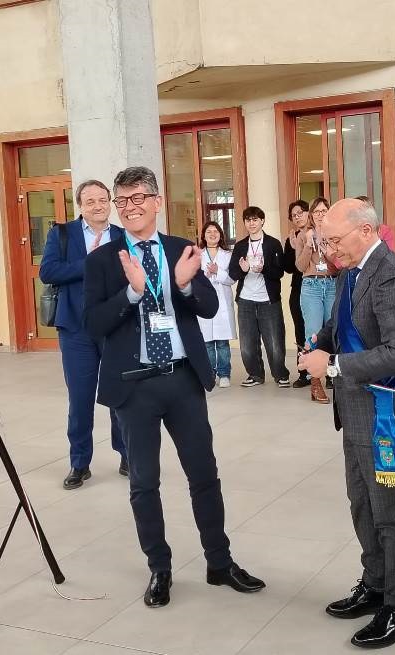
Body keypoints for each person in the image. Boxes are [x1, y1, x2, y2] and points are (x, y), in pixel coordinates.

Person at [83, 166, 265, 608]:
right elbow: (93, 324)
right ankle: (159, 569)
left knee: (204, 475)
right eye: (122, 200)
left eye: (138, 198)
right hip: (134, 387)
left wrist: (183, 285)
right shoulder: (103, 261)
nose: (130, 207)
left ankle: (219, 563)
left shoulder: (181, 249)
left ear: (157, 202)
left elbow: (209, 306)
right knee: (144, 482)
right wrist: (131, 294)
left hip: (183, 380)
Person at [299, 198, 395, 649]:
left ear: (365, 230)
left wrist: (332, 364)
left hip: (385, 416)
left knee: (390, 514)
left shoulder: (393, 275)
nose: (330, 250)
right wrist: (318, 343)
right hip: (356, 408)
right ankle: (375, 584)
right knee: (361, 503)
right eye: (325, 242)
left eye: (334, 241)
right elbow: (339, 325)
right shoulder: (351, 270)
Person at [39, 179, 127, 489]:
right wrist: (90, 262)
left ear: (110, 202)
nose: (98, 206)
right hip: (76, 329)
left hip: (115, 326)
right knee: (80, 399)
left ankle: (127, 455)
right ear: (80, 205)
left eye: (103, 200)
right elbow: (48, 272)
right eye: (90, 201)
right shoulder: (62, 234)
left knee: (119, 395)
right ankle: (80, 463)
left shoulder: (122, 236)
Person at [228, 206, 290, 388]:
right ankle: (255, 375)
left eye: (255, 219)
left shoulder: (273, 244)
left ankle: (280, 374)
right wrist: (243, 270)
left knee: (274, 341)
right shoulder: (240, 246)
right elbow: (233, 273)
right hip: (246, 300)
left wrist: (264, 269)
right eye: (248, 220)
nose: (251, 223)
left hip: (268, 300)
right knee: (247, 343)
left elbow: (279, 272)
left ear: (262, 221)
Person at [292, 196, 339, 404]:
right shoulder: (303, 235)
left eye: (324, 211)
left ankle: (332, 374)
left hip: (332, 284)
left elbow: (337, 265)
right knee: (313, 333)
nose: (320, 215)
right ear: (311, 214)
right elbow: (300, 267)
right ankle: (315, 382)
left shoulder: (334, 234)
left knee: (333, 330)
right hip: (311, 285)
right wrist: (309, 246)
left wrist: (325, 245)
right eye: (316, 211)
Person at [196, 221, 236, 388]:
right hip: (204, 301)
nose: (212, 234)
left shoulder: (228, 255)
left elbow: (232, 279)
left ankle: (224, 374)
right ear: (204, 236)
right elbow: (193, 278)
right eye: (209, 232)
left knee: (222, 343)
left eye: (216, 231)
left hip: (222, 302)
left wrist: (217, 271)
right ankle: (210, 373)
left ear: (220, 235)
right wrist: (205, 275)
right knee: (207, 342)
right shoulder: (197, 254)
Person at [283, 200, 313, 389]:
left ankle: (328, 373)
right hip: (299, 288)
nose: (298, 217)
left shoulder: (318, 233)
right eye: (294, 215)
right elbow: (287, 268)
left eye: (301, 212)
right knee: (300, 331)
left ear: (308, 213)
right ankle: (304, 373)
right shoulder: (291, 239)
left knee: (322, 330)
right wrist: (295, 249)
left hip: (319, 288)